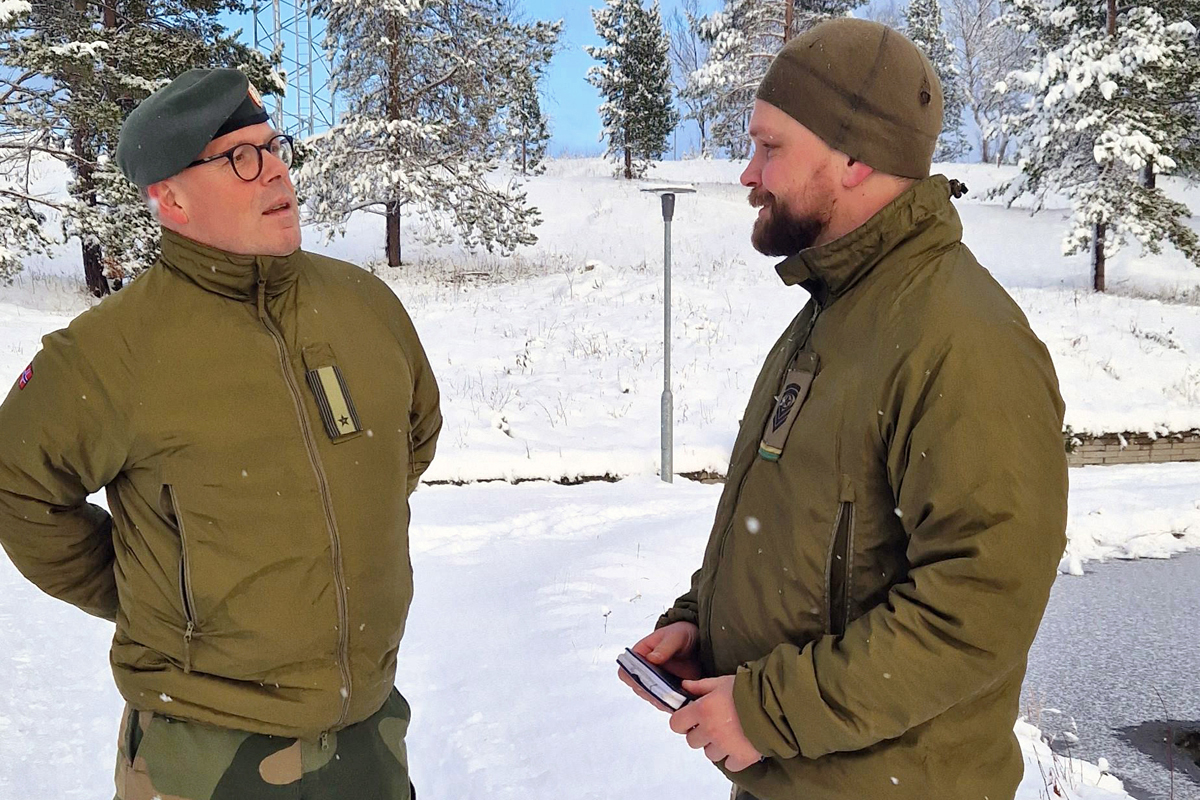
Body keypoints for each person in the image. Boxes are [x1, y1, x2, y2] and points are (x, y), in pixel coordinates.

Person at [619, 19, 1068, 800]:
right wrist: (704, 627)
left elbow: (977, 612)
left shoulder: (963, 341)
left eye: (769, 147)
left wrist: (767, 711)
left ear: (856, 158)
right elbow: (813, 541)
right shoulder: (834, 315)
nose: (747, 174)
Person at [0, 68, 441, 799]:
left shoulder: (364, 306)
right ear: (169, 198)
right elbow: (14, 481)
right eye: (239, 157)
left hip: (368, 741)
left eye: (273, 147)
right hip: (200, 755)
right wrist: (154, 593)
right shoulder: (114, 350)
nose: (273, 171)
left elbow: (411, 438)